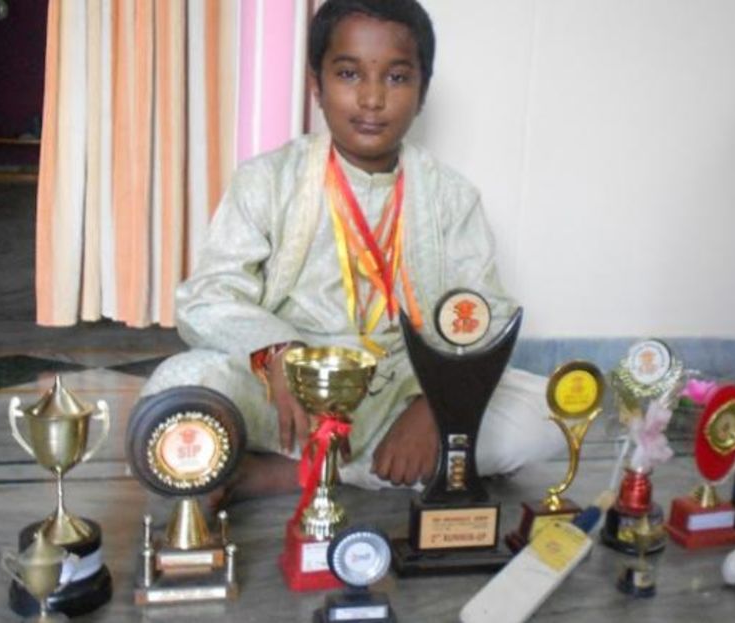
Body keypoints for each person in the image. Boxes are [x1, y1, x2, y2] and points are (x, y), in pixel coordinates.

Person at [141, 0, 562, 500]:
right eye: (348, 73)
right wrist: (275, 353)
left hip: (405, 383)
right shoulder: (267, 181)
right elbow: (208, 295)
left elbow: (484, 315)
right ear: (316, 86)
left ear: (423, 92)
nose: (371, 98)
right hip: (291, 387)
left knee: (550, 414)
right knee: (180, 387)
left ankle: (290, 473)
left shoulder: (451, 197)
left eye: (397, 78)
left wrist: (433, 406)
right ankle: (361, 465)